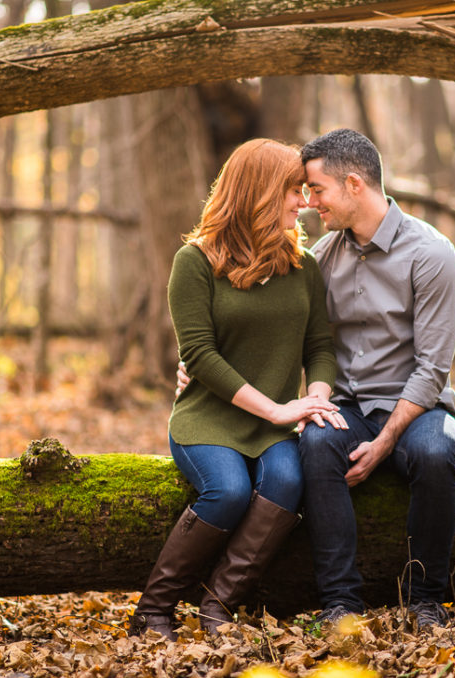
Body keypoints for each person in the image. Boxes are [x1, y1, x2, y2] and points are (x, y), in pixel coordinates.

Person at [128, 138, 346, 641]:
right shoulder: (195, 261)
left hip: (274, 423)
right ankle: (153, 608)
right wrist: (275, 409)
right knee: (228, 491)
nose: (305, 201)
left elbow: (321, 347)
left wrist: (314, 397)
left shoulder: (302, 266)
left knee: (288, 486)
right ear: (260, 192)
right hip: (208, 418)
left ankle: (217, 606)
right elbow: (200, 356)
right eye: (294, 190)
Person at [297, 128, 455, 630]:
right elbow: (287, 329)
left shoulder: (432, 254)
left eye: (317, 190)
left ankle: (425, 600)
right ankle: (341, 604)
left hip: (418, 409)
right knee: (313, 444)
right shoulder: (322, 258)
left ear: (353, 184)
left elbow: (433, 368)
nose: (309, 203)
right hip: (348, 406)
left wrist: (386, 441)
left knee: (437, 453)